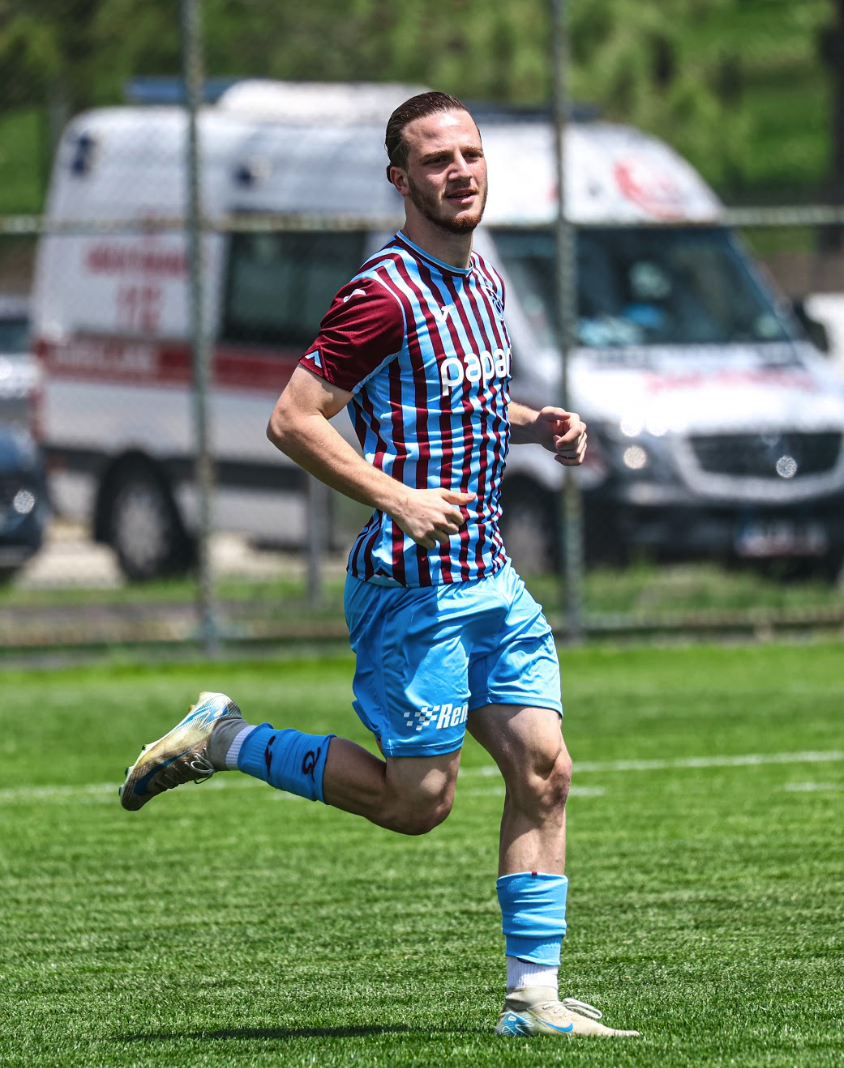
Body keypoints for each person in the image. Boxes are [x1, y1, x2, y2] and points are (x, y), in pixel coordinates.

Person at [119, 91, 639, 1039]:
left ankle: (533, 1002)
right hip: (412, 589)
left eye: (470, 154)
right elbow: (293, 419)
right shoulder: (382, 293)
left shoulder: (482, 281)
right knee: (418, 803)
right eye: (437, 160)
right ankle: (226, 738)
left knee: (545, 771)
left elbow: (464, 399)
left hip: (491, 577)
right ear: (400, 179)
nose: (460, 172)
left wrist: (538, 424)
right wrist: (395, 496)